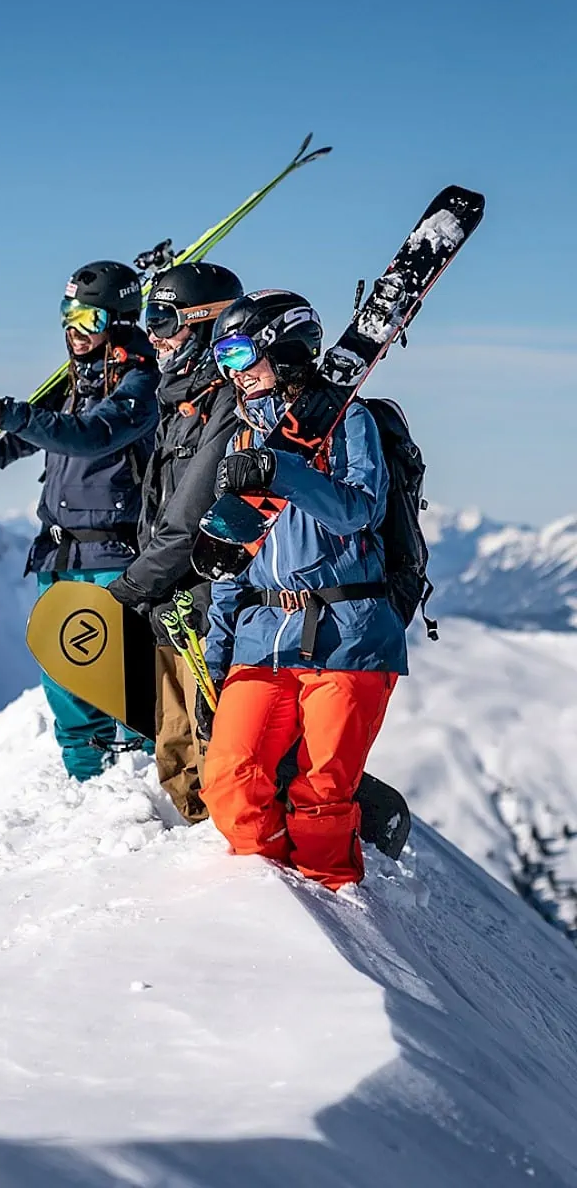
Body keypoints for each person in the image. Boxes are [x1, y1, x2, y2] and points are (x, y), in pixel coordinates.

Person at [198, 290, 408, 890]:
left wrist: (280, 469)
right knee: (229, 780)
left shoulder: (352, 423)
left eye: (240, 355)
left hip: (350, 637)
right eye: (224, 361)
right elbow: (233, 561)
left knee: (323, 795)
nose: (233, 374)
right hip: (262, 639)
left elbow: (357, 512)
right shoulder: (244, 442)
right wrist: (216, 658)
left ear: (284, 351)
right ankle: (272, 897)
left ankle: (332, 909)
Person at [0, 260, 160, 780]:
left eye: (89, 321)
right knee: (66, 681)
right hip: (58, 553)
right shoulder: (73, 381)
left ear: (118, 322)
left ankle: (146, 787)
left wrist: (7, 412)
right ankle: (86, 785)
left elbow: (90, 435)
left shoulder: (141, 386)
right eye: (67, 317)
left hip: (116, 555)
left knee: (126, 682)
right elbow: (23, 434)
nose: (74, 333)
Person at [103, 262, 243, 822]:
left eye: (164, 320)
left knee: (214, 746)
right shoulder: (179, 402)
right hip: (170, 603)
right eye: (149, 319)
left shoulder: (229, 406)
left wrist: (134, 585)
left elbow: (192, 516)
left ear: (205, 325)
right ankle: (191, 845)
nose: (154, 335)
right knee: (175, 747)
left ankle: (230, 872)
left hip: (206, 605)